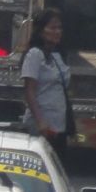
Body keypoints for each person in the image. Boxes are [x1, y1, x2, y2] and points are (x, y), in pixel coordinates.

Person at [20, 8, 70, 156]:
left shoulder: (56, 56)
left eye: (59, 28)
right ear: (41, 31)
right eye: (52, 28)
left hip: (58, 126)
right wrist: (40, 121)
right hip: (41, 126)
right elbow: (29, 91)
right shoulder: (34, 54)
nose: (57, 32)